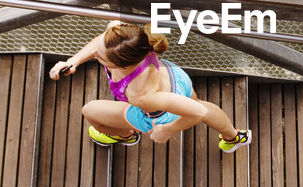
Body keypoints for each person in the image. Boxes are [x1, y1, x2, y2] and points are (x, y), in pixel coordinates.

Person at [49, 20, 252, 152]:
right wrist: (73, 61)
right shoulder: (127, 38)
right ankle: (233, 137)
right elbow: (100, 43)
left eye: (99, 56)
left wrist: (167, 130)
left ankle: (126, 136)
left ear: (121, 64)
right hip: (175, 77)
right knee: (202, 104)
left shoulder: (141, 95)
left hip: (160, 114)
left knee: (90, 112)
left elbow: (197, 113)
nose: (94, 53)